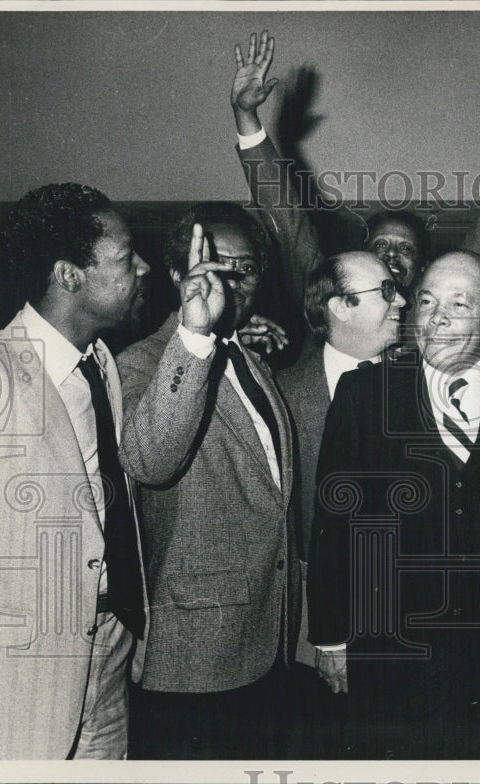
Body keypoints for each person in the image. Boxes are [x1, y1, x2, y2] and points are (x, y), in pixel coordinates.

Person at [306, 251, 480, 759]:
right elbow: (332, 525)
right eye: (427, 302)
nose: (438, 317)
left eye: (458, 303)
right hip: (389, 660)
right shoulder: (364, 395)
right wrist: (332, 641)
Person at [0, 183, 149, 758]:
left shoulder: (101, 364)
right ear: (69, 275)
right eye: (124, 260)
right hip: (20, 672)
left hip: (110, 649)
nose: (143, 268)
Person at [117, 202, 299, 759]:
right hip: (194, 652)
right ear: (177, 275)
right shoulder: (143, 361)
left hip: (267, 636)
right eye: (214, 267)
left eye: (245, 269)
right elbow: (149, 460)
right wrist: (194, 334)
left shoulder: (249, 353)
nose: (231, 282)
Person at [230, 31, 480, 318]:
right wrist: (246, 117)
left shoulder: (438, 319)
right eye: (380, 245)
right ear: (361, 255)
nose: (391, 255)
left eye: (405, 249)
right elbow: (289, 223)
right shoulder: (331, 304)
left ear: (425, 267)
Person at [273, 251, 406, 755]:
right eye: (387, 291)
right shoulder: (280, 394)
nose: (404, 301)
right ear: (341, 306)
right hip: (309, 631)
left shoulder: (424, 387)